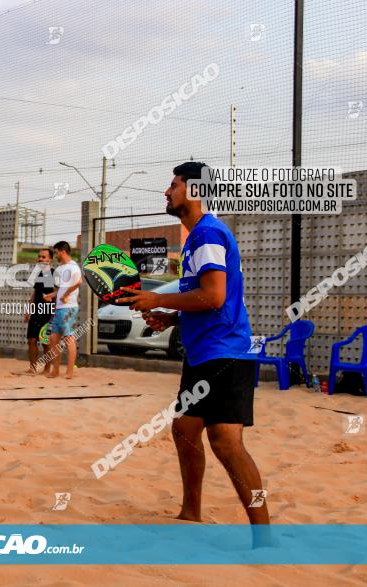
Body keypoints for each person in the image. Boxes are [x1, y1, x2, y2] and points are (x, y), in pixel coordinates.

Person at [118, 161, 270, 531]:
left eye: (173, 185)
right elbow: (204, 299)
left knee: (226, 442)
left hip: (226, 353)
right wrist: (173, 318)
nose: (166, 192)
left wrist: (157, 300)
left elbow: (215, 296)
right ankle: (191, 513)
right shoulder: (196, 240)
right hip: (206, 352)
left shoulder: (207, 234)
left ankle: (264, 535)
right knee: (185, 429)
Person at [43, 241, 82, 379]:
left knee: (68, 338)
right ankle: (56, 370)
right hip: (59, 308)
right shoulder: (59, 269)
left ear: (62, 251)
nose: (55, 255)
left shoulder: (73, 267)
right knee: (54, 339)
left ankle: (70, 372)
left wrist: (65, 296)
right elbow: (60, 289)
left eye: (56, 252)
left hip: (69, 307)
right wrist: (51, 296)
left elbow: (79, 283)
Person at [19, 248, 55, 375]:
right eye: (39, 257)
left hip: (48, 313)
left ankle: (47, 369)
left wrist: (54, 313)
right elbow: (35, 293)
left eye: (44, 257)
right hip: (36, 312)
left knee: (45, 342)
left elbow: (58, 293)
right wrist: (28, 310)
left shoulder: (54, 274)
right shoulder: (39, 274)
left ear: (50, 259)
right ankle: (32, 368)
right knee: (31, 340)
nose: (40, 259)